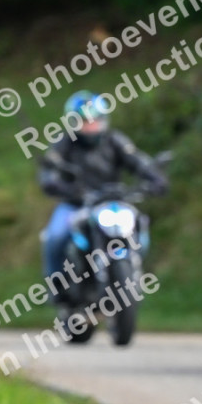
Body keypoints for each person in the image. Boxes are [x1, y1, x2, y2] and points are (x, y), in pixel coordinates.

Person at [37, 90, 167, 313]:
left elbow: (137, 161)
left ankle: (132, 273)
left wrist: (155, 179)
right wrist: (58, 185)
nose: (91, 126)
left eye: (94, 120)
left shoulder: (115, 141)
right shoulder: (64, 143)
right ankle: (58, 288)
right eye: (85, 122)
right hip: (75, 204)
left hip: (112, 203)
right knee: (55, 236)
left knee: (138, 223)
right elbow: (50, 172)